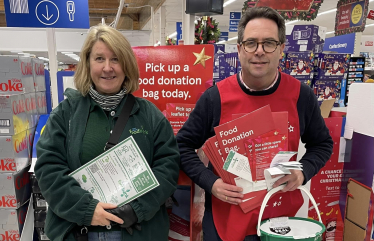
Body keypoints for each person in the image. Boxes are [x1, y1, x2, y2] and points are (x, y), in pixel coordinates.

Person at [176, 6, 333, 241]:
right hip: (225, 222)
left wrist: (303, 173)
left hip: (280, 221)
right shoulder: (215, 98)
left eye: (269, 43)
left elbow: (322, 144)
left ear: (281, 49)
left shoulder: (301, 96)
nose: (259, 51)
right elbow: (182, 146)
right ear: (240, 49)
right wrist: (212, 183)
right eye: (251, 43)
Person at [34, 24, 180, 241]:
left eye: (115, 59)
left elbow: (168, 166)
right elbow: (48, 169)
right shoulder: (65, 114)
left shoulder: (149, 115)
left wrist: (137, 209)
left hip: (137, 231)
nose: (107, 67)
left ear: (126, 64)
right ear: (87, 63)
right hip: (79, 231)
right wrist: (86, 209)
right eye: (99, 59)